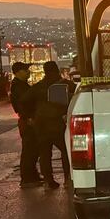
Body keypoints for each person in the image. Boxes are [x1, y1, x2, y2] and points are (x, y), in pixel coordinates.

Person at [25, 61, 73, 189]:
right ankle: (68, 179)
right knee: (65, 150)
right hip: (58, 123)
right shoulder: (66, 85)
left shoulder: (37, 87)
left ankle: (48, 181)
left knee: (45, 153)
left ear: (45, 71)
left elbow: (24, 101)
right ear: (57, 70)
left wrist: (30, 116)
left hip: (41, 124)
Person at [10, 62, 43, 188]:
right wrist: (29, 118)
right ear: (17, 72)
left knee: (34, 150)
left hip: (30, 120)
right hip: (27, 121)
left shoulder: (22, 85)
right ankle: (28, 179)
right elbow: (21, 104)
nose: (28, 72)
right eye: (25, 70)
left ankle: (33, 176)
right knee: (30, 150)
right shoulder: (18, 87)